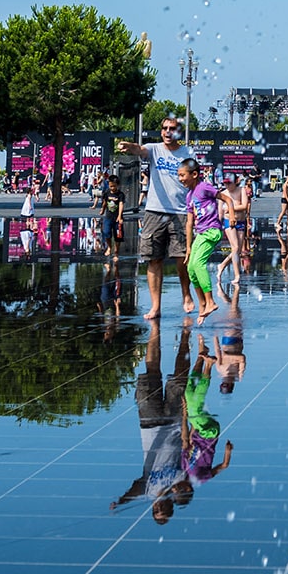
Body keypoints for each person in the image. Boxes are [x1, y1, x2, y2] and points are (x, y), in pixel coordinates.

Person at [112, 318, 192, 525]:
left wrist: (122, 500)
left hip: (149, 422)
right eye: (164, 510)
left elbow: (136, 489)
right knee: (180, 378)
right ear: (170, 506)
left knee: (151, 373)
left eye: (157, 510)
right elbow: (187, 447)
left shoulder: (149, 491)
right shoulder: (179, 483)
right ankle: (186, 335)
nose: (159, 506)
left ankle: (154, 329)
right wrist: (186, 417)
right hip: (174, 422)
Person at [117, 118, 196, 321]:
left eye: (172, 129)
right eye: (164, 128)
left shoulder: (187, 153)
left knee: (182, 258)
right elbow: (139, 150)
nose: (168, 132)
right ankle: (155, 306)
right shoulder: (154, 149)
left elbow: (196, 181)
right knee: (153, 258)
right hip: (154, 211)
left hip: (180, 211)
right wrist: (128, 146)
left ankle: (186, 295)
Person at [182, 341, 234, 488]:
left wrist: (188, 418)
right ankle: (209, 365)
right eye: (176, 489)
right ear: (186, 489)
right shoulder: (200, 478)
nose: (174, 486)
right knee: (196, 406)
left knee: (188, 393)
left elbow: (189, 441)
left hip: (199, 429)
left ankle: (202, 358)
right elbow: (223, 466)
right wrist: (227, 452)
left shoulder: (184, 466)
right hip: (210, 434)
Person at [179, 157, 222, 322]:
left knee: (198, 264)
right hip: (201, 233)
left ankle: (210, 301)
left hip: (212, 231)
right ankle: (203, 304)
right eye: (179, 175)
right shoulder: (189, 196)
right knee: (190, 268)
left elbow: (225, 199)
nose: (180, 179)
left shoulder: (204, 187)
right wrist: (188, 247)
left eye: (183, 175)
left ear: (195, 174)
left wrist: (231, 214)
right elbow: (189, 223)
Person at [101, 172, 124, 257]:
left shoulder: (120, 194)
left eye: (114, 186)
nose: (112, 188)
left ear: (118, 185)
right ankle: (110, 247)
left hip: (117, 218)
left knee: (118, 235)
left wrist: (120, 216)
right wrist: (102, 210)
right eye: (111, 186)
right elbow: (104, 203)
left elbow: (121, 204)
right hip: (108, 217)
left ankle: (116, 251)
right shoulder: (107, 193)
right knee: (106, 232)